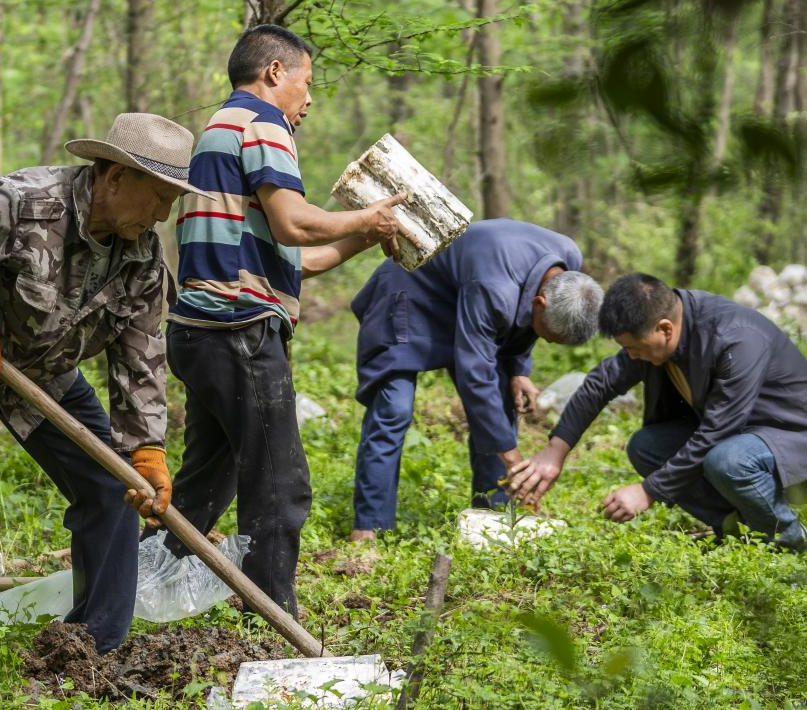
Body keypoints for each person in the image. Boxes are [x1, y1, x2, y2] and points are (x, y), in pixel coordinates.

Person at [0, 112, 205, 654]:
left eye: (172, 202)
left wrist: (146, 449)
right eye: (158, 197)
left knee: (113, 486)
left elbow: (140, 358)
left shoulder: (143, 259)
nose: (161, 214)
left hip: (42, 373)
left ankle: (93, 645)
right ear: (114, 177)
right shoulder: (24, 204)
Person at [145, 24, 419, 617]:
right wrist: (365, 216)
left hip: (201, 332)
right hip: (238, 330)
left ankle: (138, 581)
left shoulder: (219, 130)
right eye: (307, 82)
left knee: (205, 482)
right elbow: (295, 223)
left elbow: (299, 257)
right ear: (275, 72)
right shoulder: (263, 123)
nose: (309, 99)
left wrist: (368, 234)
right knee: (279, 482)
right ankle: (273, 617)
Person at [507, 273, 807, 551]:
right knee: (647, 447)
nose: (631, 356)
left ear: (665, 329)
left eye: (634, 348)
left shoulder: (736, 339)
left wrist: (648, 491)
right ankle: (738, 526)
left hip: (790, 435)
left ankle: (789, 543)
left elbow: (717, 432)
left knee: (729, 461)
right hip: (738, 434)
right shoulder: (662, 330)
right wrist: (556, 451)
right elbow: (602, 383)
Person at [350, 219, 604, 541]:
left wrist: (518, 370)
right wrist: (511, 457)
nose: (548, 342)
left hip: (468, 296)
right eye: (549, 336)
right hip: (410, 294)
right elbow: (476, 374)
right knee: (394, 409)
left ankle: (493, 517)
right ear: (540, 303)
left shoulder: (569, 264)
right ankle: (369, 527)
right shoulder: (495, 287)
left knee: (501, 403)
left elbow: (521, 326)